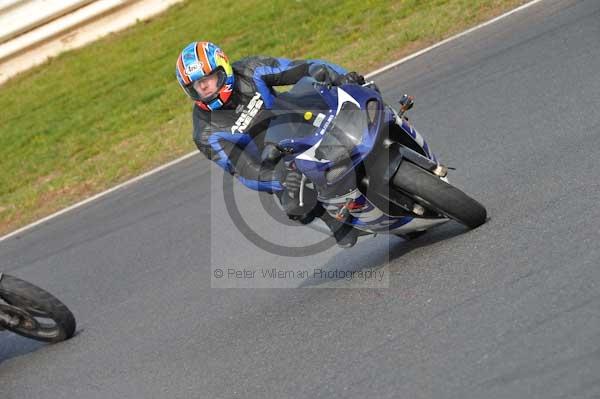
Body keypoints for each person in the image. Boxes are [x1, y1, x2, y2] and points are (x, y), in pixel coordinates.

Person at [176, 41, 366, 247]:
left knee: (352, 100)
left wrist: (343, 80)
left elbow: (303, 68)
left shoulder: (251, 70)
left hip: (302, 123)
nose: (203, 87)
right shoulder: (205, 133)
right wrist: (282, 179)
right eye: (196, 85)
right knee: (297, 206)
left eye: (207, 78)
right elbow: (244, 171)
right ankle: (336, 222)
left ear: (223, 70)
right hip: (277, 162)